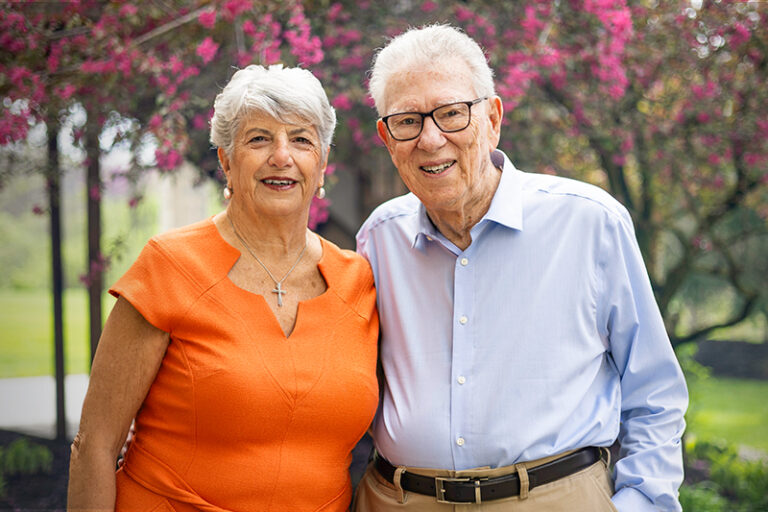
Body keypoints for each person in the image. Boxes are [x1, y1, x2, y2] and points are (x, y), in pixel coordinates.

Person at [353, 24, 688, 512]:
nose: (430, 139)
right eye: (407, 121)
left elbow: (654, 391)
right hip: (400, 500)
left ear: (492, 117)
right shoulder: (379, 238)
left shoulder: (590, 222)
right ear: (386, 136)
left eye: (451, 114)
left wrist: (642, 503)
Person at [68, 64, 379, 511]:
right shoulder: (171, 265)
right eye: (258, 139)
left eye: (301, 139)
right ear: (226, 160)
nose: (281, 155)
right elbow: (94, 445)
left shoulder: (359, 281)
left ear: (323, 161)